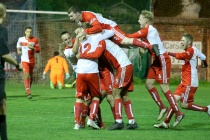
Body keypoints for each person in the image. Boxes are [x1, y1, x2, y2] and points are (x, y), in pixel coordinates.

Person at [126, 10, 184, 127]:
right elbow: (144, 46)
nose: (138, 21)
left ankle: (178, 112)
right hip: (156, 60)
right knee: (148, 84)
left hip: (162, 59)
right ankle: (162, 107)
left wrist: (115, 35)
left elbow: (130, 37)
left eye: (140, 18)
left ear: (146, 20)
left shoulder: (148, 29)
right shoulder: (149, 32)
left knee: (164, 87)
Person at [154, 33, 210, 128]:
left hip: (189, 82)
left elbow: (181, 56)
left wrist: (169, 53)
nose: (181, 42)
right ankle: (166, 122)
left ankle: (206, 109)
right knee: (175, 101)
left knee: (182, 104)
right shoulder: (194, 49)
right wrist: (205, 64)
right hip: (184, 82)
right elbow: (203, 57)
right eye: (181, 40)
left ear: (189, 42)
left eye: (183, 41)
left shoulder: (191, 50)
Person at [67, 6, 152, 50]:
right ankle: (142, 42)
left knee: (125, 41)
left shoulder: (88, 15)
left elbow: (98, 28)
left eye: (71, 16)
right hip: (105, 31)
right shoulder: (79, 21)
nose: (70, 19)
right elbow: (91, 28)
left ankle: (149, 45)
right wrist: (82, 31)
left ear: (78, 13)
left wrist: (84, 31)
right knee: (123, 44)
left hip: (110, 27)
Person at [72, 29, 106, 130]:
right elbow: (98, 55)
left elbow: (74, 52)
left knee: (79, 97)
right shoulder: (100, 39)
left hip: (80, 70)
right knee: (96, 96)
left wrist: (78, 38)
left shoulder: (83, 39)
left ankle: (77, 123)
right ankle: (91, 119)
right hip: (92, 71)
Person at [0, 3, 22, 140]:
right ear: (4, 14)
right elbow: (3, 53)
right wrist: (17, 64)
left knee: (3, 104)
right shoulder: (2, 30)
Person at [16, 27, 40, 99]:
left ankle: (28, 88)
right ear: (25, 32)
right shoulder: (21, 39)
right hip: (24, 60)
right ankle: (28, 92)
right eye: (28, 31)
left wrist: (32, 47)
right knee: (26, 74)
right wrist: (18, 51)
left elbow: (38, 50)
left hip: (32, 61)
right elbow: (18, 46)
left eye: (30, 32)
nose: (29, 33)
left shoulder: (34, 40)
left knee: (31, 77)